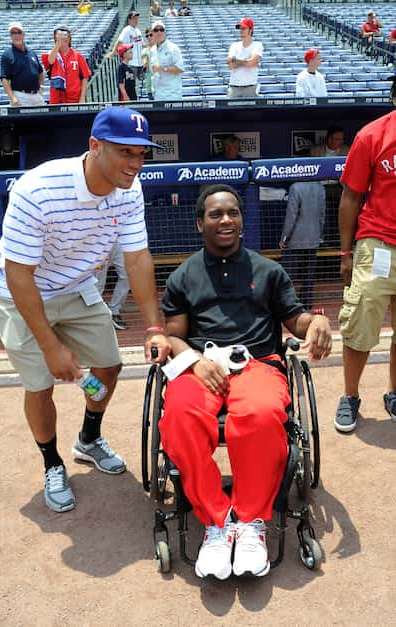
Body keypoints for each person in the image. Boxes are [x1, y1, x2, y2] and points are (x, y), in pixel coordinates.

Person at [0, 107, 171, 513]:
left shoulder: (129, 189)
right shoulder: (38, 189)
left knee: (109, 365)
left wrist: (154, 328)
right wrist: (50, 347)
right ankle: (52, 463)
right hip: (19, 290)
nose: (135, 164)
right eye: (125, 153)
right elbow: (19, 275)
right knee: (42, 383)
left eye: (141, 154)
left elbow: (136, 259)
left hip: (75, 284)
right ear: (95, 146)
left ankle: (88, 439)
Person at [158, 184, 332, 580]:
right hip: (202, 366)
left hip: (256, 364)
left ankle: (251, 521)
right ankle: (218, 523)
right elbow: (173, 334)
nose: (226, 220)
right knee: (180, 415)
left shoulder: (268, 271)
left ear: (241, 220)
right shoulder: (183, 276)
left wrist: (317, 320)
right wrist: (194, 362)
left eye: (233, 213)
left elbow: (296, 320)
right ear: (199, 222)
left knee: (261, 412)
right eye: (216, 214)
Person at [334, 100, 396, 433]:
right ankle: (350, 396)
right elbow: (351, 196)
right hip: (379, 243)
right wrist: (346, 253)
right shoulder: (373, 135)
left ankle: (394, 393)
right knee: (360, 325)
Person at [279, 181, 326, 311]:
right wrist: (320, 235)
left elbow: (291, 215)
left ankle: (286, 303)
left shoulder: (295, 187)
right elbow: (322, 214)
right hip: (313, 238)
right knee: (308, 275)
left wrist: (284, 237)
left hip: (295, 239)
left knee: (288, 274)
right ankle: (306, 303)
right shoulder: (320, 187)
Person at [41, 26, 91, 105]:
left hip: (74, 98)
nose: (63, 38)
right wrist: (58, 43)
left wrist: (82, 98)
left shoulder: (78, 56)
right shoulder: (50, 54)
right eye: (59, 36)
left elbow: (85, 77)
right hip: (57, 98)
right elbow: (50, 61)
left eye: (65, 35)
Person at [0, 22, 45, 107]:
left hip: (37, 95)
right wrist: (12, 97)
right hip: (20, 95)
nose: (16, 35)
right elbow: (4, 79)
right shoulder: (7, 54)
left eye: (19, 32)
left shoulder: (32, 53)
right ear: (10, 36)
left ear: (23, 35)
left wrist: (41, 86)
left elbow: (40, 72)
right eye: (13, 33)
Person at [94, 240, 130, 330]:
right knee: (98, 283)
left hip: (119, 240)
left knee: (128, 275)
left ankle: (114, 311)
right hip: (100, 241)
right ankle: (95, 315)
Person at [227, 17, 263, 99]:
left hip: (250, 87)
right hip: (234, 86)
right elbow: (230, 65)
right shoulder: (234, 45)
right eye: (240, 28)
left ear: (250, 30)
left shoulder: (257, 45)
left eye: (244, 28)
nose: (241, 30)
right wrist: (246, 61)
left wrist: (236, 60)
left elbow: (251, 63)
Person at [150, 21, 184, 101]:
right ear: (152, 33)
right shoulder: (152, 50)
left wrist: (163, 69)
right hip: (157, 94)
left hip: (172, 95)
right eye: (156, 30)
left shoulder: (173, 48)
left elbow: (180, 69)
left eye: (161, 30)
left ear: (165, 32)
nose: (159, 32)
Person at [108, 12, 143, 81]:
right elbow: (119, 41)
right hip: (131, 63)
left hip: (140, 63)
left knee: (139, 86)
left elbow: (142, 44)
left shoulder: (138, 31)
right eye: (133, 19)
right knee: (130, 84)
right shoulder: (126, 30)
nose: (136, 20)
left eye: (136, 18)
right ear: (129, 20)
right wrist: (113, 52)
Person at [142, 28, 156, 100]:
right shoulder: (145, 51)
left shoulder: (161, 48)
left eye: (151, 35)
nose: (149, 37)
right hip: (150, 87)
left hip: (161, 87)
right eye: (147, 36)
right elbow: (144, 65)